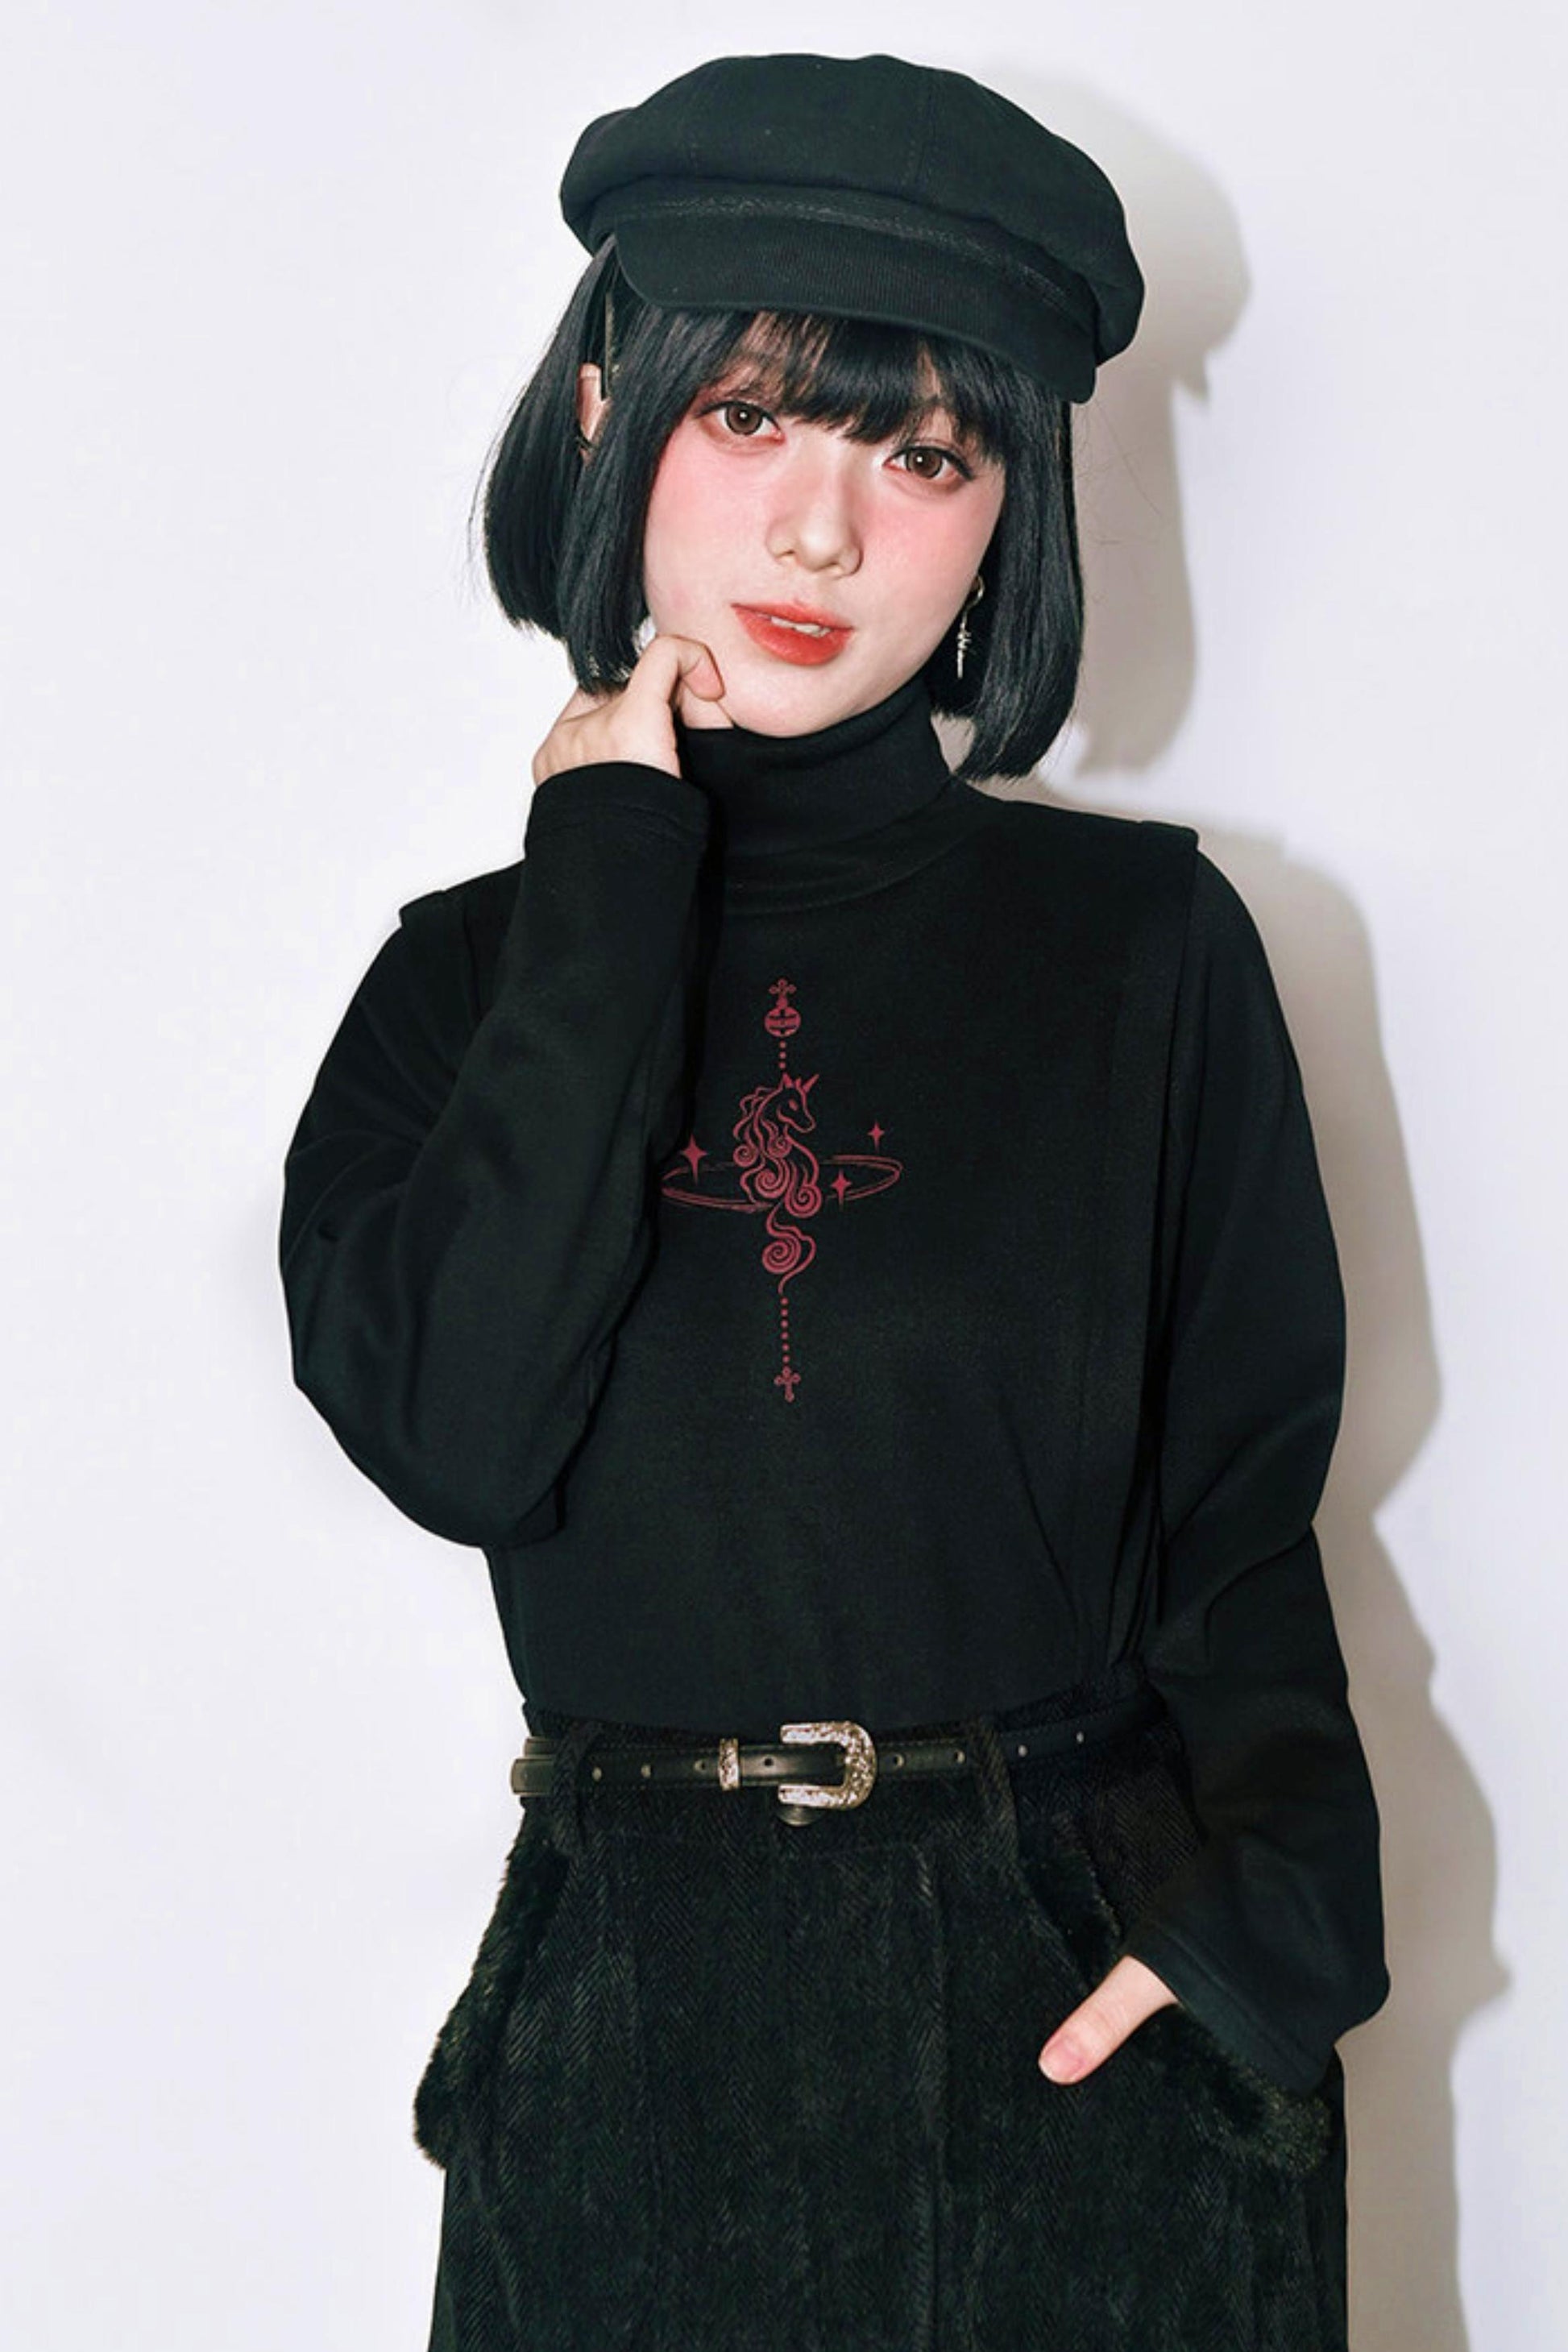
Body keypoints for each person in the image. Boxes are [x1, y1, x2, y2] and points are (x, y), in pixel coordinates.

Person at [277, 49, 1389, 2352]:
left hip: (1087, 2011)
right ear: (610, 415)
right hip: (633, 2041)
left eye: (921, 454)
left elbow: (1242, 1516)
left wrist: (1264, 1939)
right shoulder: (463, 987)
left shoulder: (1143, 953)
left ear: (1005, 512)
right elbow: (465, 1437)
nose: (819, 535)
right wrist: (607, 877)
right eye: (754, 415)